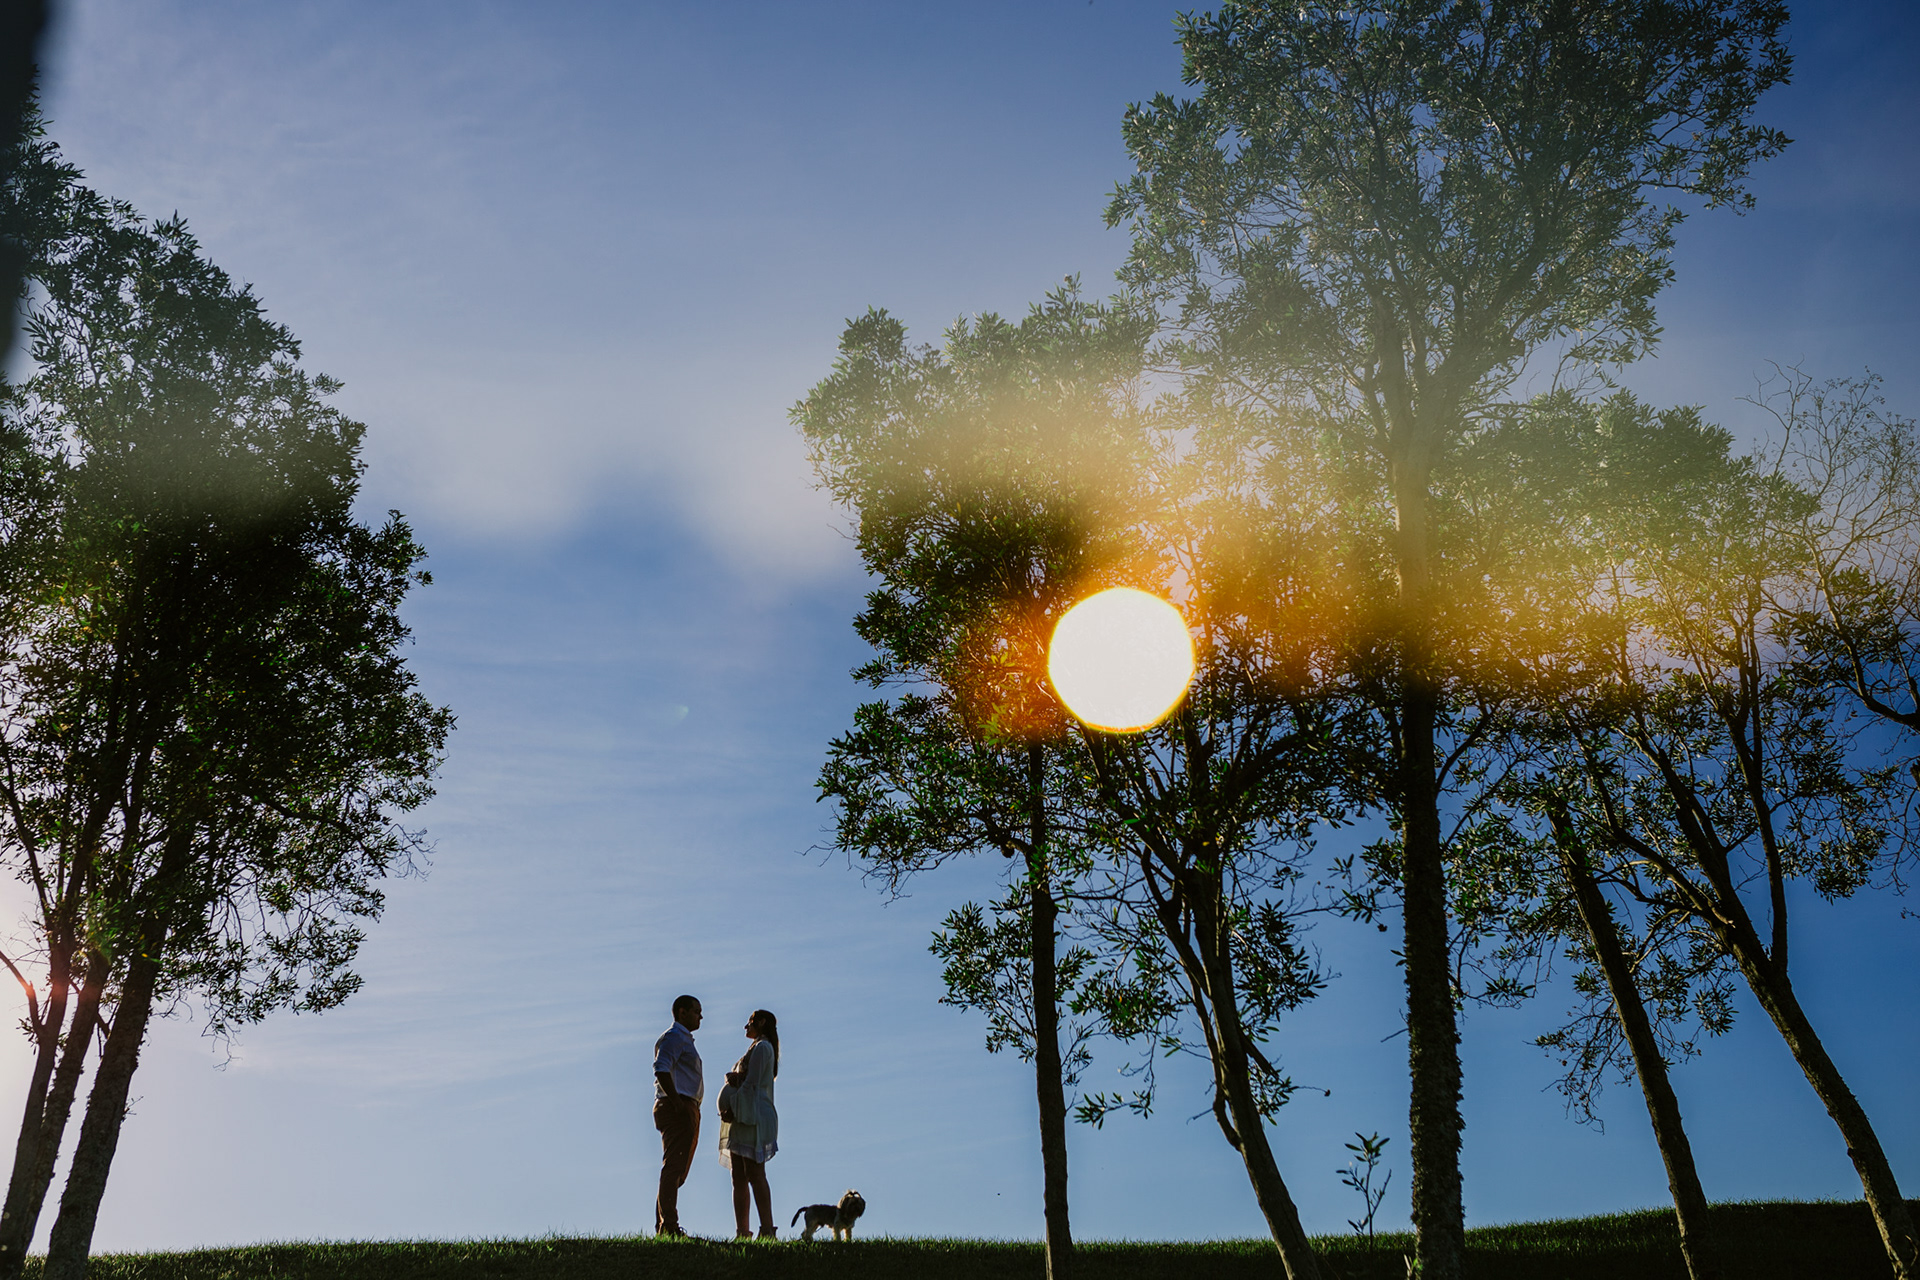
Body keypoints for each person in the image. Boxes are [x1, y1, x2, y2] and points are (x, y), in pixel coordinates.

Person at [717, 1008, 780, 1240]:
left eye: (750, 1022)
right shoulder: (755, 1047)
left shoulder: (763, 1047)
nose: (746, 1026)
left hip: (752, 1116)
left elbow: (752, 1084)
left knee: (755, 1173)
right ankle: (742, 1231)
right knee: (738, 1176)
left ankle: (767, 1229)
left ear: (761, 1022)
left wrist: (733, 1108)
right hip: (741, 1115)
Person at [652, 994, 704, 1237]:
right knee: (674, 1167)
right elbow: (661, 1069)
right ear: (682, 1012)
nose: (700, 1016)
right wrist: (677, 1102)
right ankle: (669, 1226)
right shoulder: (674, 1037)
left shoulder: (683, 1039)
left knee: (677, 1169)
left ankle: (664, 1225)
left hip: (686, 1105)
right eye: (696, 1011)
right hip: (678, 1105)